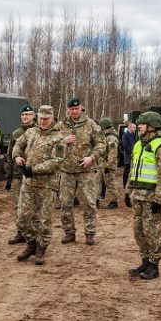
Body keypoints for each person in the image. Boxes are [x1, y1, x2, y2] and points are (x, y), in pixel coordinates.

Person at [11, 105, 66, 264]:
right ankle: (31, 243)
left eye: (46, 119)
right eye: (40, 118)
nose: (42, 121)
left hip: (47, 185)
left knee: (44, 219)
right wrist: (16, 157)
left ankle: (41, 248)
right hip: (28, 183)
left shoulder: (59, 139)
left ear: (52, 118)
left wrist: (33, 169)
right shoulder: (31, 132)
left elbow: (56, 162)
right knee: (22, 217)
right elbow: (18, 144)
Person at [125, 111, 161, 280]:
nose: (139, 126)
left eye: (143, 124)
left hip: (151, 199)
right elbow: (133, 170)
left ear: (152, 127)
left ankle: (154, 265)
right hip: (137, 197)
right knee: (138, 231)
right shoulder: (139, 145)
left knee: (151, 232)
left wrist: (159, 200)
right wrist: (128, 190)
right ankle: (145, 261)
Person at [55, 97, 105, 245]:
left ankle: (89, 233)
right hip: (66, 170)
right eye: (72, 109)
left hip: (86, 170)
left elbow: (102, 144)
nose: (75, 111)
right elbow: (51, 144)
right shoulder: (61, 125)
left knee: (89, 203)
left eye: (77, 109)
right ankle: (69, 232)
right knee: (65, 203)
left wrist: (92, 157)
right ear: (68, 110)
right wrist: (62, 141)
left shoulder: (91, 125)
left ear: (81, 108)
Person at [6, 105, 37, 244]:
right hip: (18, 175)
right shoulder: (16, 133)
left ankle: (34, 233)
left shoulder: (39, 131)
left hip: (35, 174)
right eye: (23, 114)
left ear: (34, 116)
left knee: (34, 205)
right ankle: (21, 232)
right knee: (18, 205)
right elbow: (10, 154)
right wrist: (9, 176)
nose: (25, 117)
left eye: (28, 114)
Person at [98, 117, 120, 209]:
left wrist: (108, 165)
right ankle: (96, 199)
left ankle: (114, 201)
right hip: (101, 164)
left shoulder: (112, 138)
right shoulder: (105, 136)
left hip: (108, 165)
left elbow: (113, 153)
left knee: (110, 183)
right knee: (96, 182)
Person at [121, 120, 137, 190]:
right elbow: (125, 145)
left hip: (133, 155)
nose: (135, 129)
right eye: (134, 127)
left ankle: (130, 183)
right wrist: (131, 152)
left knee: (131, 170)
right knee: (127, 170)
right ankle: (124, 184)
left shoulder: (133, 135)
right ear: (130, 127)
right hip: (128, 155)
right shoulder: (125, 135)